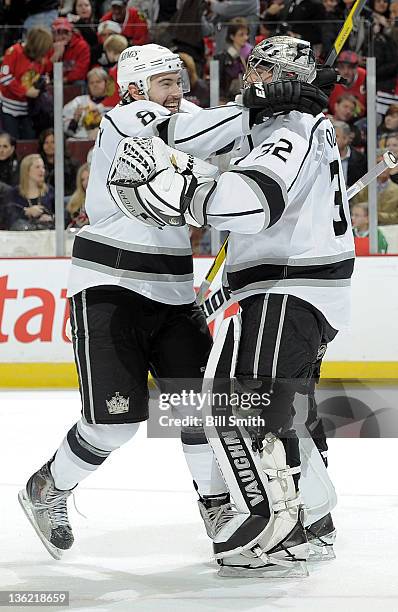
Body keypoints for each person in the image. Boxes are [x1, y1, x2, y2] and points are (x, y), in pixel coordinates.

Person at [17, 40, 332, 561]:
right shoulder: (126, 120)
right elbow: (206, 131)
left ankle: (217, 506)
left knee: (198, 411)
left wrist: (291, 113)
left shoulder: (188, 117)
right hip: (108, 287)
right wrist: (260, 101)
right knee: (113, 422)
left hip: (172, 294)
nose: (177, 93)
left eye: (181, 83)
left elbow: (241, 158)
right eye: (166, 83)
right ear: (136, 88)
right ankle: (49, 488)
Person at [122, 36, 352, 576]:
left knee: (230, 401)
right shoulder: (285, 123)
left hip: (287, 287)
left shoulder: (289, 127)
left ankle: (273, 522)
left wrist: (181, 196)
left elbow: (254, 201)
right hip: (300, 289)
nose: (251, 76)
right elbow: (205, 138)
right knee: (283, 408)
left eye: (263, 68)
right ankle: (310, 524)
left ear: (285, 75)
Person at [0, 26, 53, 139]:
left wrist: (42, 83)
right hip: (8, 108)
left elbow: (44, 74)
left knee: (30, 140)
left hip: (29, 109)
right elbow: (5, 77)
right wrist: (25, 92)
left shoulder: (40, 57)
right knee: (11, 140)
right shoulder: (14, 51)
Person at [63, 67, 119, 139]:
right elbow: (67, 132)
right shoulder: (78, 102)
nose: (95, 85)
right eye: (91, 83)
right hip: (81, 142)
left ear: (106, 83)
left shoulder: (114, 103)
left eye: (98, 81)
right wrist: (75, 120)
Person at [6, 154, 54, 231]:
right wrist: (26, 212)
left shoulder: (50, 191)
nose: (42, 170)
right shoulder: (14, 193)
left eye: (43, 167)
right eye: (37, 167)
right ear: (26, 170)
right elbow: (9, 218)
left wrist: (51, 218)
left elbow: (61, 215)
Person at [44, 17, 91, 85]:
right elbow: (44, 69)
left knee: (79, 82)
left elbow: (81, 71)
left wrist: (65, 79)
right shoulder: (48, 46)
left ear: (71, 32)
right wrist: (55, 56)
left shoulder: (82, 46)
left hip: (72, 80)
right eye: (59, 33)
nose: (63, 36)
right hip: (53, 80)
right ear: (53, 34)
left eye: (66, 32)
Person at [216, 17, 252, 101]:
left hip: (248, 97)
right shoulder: (223, 57)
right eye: (241, 35)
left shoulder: (252, 54)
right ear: (232, 36)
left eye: (247, 34)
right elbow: (220, 83)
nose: (245, 37)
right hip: (229, 99)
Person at [38, 128, 78, 196]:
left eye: (53, 142)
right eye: (46, 142)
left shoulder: (72, 165)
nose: (49, 146)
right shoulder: (38, 165)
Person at [333, 120, 367, 188]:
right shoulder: (324, 157)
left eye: (336, 136)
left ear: (345, 139)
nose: (332, 139)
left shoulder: (360, 160)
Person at [66, 162, 90, 228]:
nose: (85, 182)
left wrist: (89, 222)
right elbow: (66, 224)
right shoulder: (74, 200)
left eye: (88, 178)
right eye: (82, 180)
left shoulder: (102, 200)